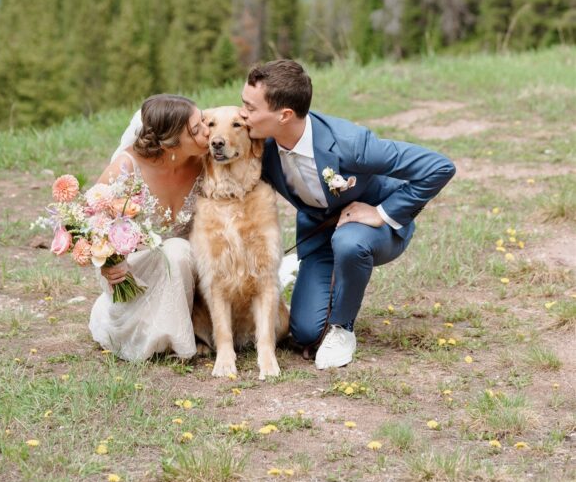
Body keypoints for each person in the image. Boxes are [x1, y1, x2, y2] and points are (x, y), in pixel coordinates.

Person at [239, 59, 456, 370]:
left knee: (350, 242)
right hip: (320, 233)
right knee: (304, 333)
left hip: (370, 231)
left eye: (250, 107)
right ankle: (309, 279)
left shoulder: (351, 145)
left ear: (284, 115)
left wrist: (381, 213)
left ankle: (343, 328)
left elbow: (439, 167)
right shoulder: (262, 147)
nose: (242, 113)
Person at [88, 94, 210, 361]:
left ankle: (176, 334)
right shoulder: (127, 166)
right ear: (171, 143)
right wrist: (109, 263)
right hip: (134, 264)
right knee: (177, 249)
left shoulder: (203, 162)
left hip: (188, 267)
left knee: (179, 251)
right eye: (197, 130)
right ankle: (158, 337)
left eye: (203, 122)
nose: (207, 133)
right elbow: (90, 221)